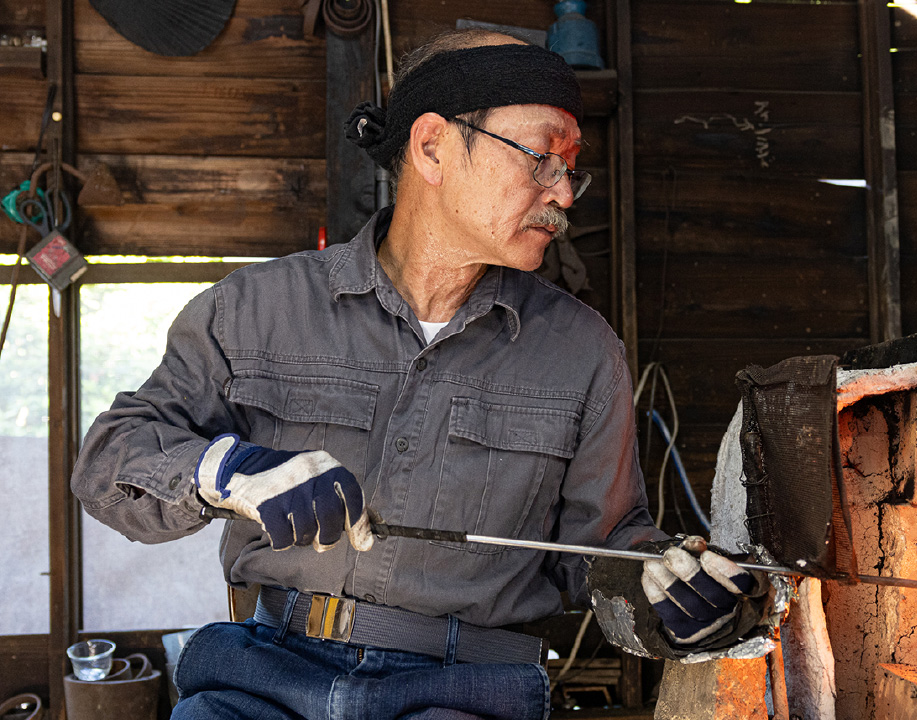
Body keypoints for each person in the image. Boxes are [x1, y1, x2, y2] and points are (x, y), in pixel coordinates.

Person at [71, 30, 762, 720]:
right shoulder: (254, 309)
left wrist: (664, 591)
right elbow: (107, 462)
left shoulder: (583, 351)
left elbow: (601, 554)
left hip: (464, 696)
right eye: (542, 159)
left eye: (571, 170)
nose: (565, 195)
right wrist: (228, 471)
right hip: (259, 680)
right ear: (432, 146)